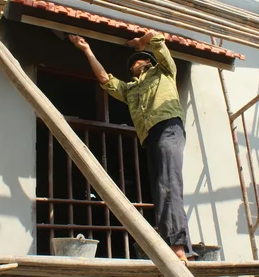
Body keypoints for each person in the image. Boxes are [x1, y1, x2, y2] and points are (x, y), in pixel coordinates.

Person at [69, 30, 197, 263]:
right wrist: (86, 49)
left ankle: (179, 248)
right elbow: (105, 80)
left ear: (147, 61)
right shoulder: (131, 90)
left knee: (169, 184)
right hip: (149, 137)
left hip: (169, 127)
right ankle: (170, 245)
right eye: (130, 65)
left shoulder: (164, 71)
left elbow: (156, 37)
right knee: (160, 189)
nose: (132, 66)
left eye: (136, 61)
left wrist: (140, 42)